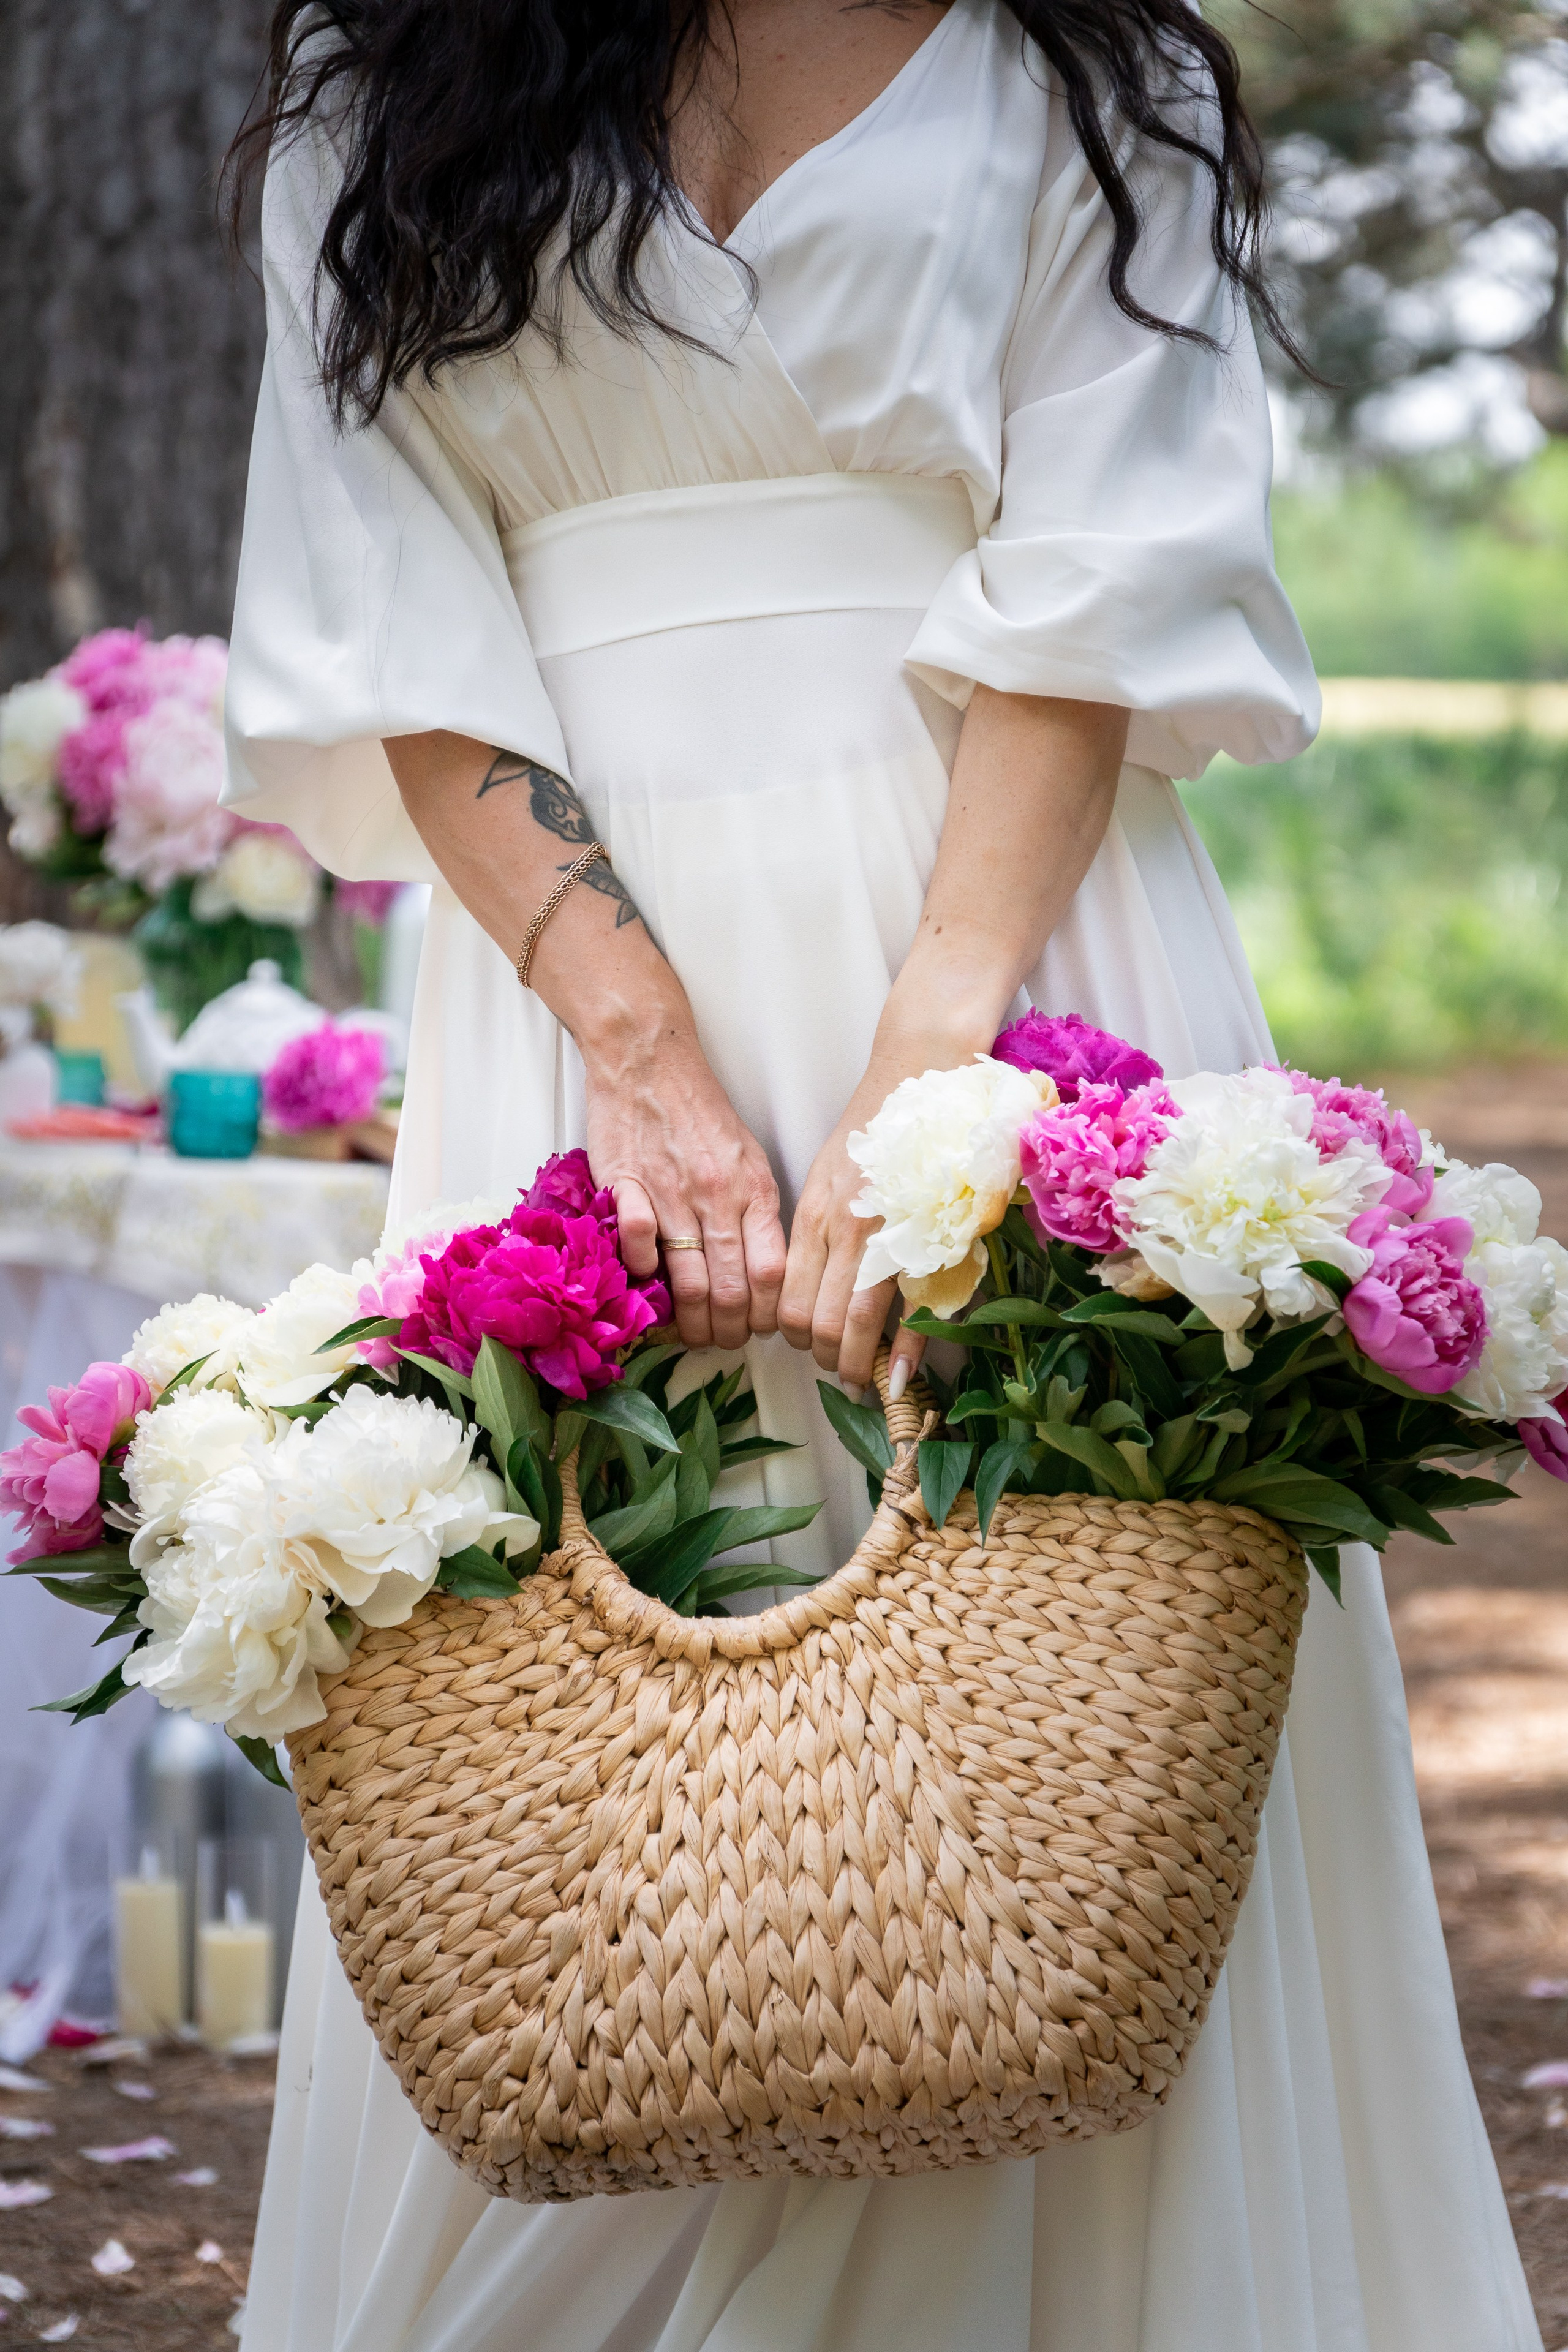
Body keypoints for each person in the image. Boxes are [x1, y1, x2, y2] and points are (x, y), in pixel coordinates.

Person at [221, 4, 1539, 2345]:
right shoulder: (378, 77)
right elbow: (385, 615)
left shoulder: (1091, 78)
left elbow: (1108, 573)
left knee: (1091, 1717)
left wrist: (943, 1065)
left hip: (1018, 932)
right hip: (569, 1003)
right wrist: (633, 1046)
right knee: (576, 1705)